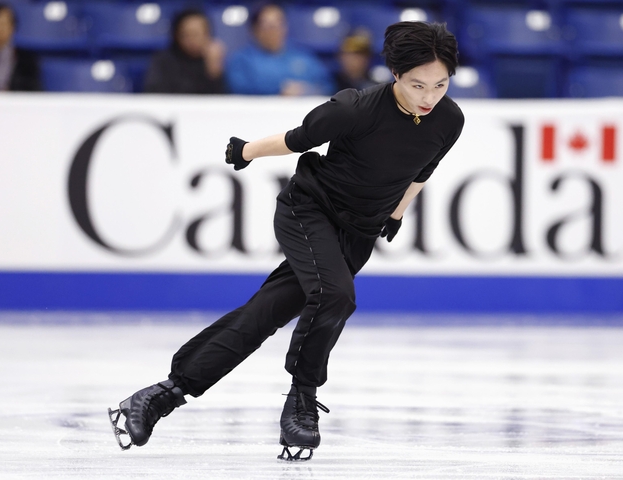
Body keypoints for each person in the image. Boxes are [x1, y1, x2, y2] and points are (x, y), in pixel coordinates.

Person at [108, 21, 464, 462]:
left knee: (264, 315)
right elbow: (297, 140)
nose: (429, 97)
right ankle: (302, 401)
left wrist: (396, 213)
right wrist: (246, 151)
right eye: (417, 85)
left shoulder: (450, 120)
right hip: (309, 211)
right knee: (335, 295)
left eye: (440, 85)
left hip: (359, 232)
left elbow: (423, 168)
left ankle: (160, 396)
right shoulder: (354, 108)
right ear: (395, 74)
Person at [224, 3, 333, 96]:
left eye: (279, 24)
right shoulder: (241, 60)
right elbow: (238, 88)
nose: (274, 30)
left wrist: (306, 90)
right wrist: (279, 90)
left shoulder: (304, 56)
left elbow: (328, 87)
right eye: (268, 26)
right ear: (255, 29)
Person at [144, 8, 225, 94]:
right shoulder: (163, 61)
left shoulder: (212, 61)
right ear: (176, 35)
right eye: (187, 34)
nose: (192, 40)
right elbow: (154, 92)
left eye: (196, 34)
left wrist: (214, 72)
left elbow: (219, 98)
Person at [0, 3, 40, 91]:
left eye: (6, 23)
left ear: (13, 28)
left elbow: (35, 91)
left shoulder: (26, 59)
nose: (1, 28)